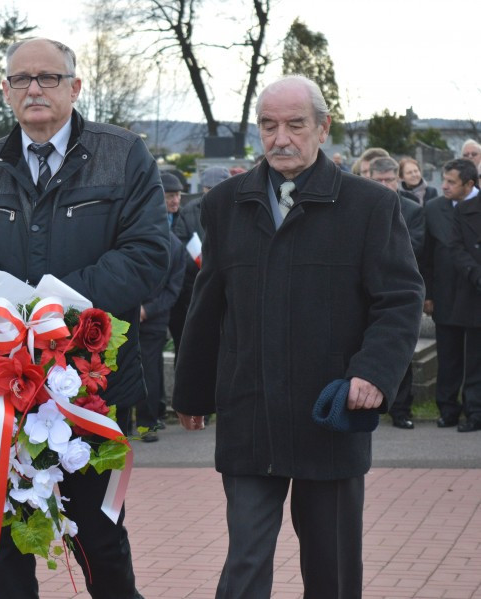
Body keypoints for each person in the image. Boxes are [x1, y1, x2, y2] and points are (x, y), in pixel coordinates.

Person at [0, 37, 169, 599]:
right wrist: (8, 313)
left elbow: (146, 254)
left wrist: (52, 311)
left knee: (98, 536)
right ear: (6, 91)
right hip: (3, 386)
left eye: (47, 77)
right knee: (8, 546)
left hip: (89, 382)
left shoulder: (124, 154)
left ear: (75, 86)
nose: (33, 88)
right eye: (20, 79)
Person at [173, 75, 423, 598]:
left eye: (294, 124)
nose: (280, 138)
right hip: (250, 417)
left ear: (323, 128)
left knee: (331, 571)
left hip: (329, 416)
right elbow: (208, 302)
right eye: (268, 125)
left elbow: (398, 299)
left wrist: (373, 371)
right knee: (244, 562)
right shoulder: (224, 204)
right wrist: (192, 392)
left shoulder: (370, 207)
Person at [421, 158, 481, 431]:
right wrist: (428, 293)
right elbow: (427, 255)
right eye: (443, 180)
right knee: (448, 357)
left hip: (475, 293)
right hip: (445, 293)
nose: (443, 186)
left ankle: (475, 411)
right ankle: (447, 409)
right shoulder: (433, 209)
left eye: (450, 182)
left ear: (469, 184)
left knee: (476, 360)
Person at [369, 156, 425, 429]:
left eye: (388, 180)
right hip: (363, 292)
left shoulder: (412, 210)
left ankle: (401, 409)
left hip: (397, 289)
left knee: (399, 350)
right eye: (377, 181)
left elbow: (414, 247)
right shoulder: (360, 207)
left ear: (397, 180)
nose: (383, 185)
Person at [137, 182, 186, 442]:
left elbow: (172, 290)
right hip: (138, 313)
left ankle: (148, 422)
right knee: (147, 367)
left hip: (153, 319)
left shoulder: (174, 246)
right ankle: (146, 419)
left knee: (149, 369)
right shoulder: (142, 237)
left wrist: (146, 310)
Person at [169, 165, 230, 352]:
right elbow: (179, 245)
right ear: (203, 189)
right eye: (209, 189)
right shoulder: (189, 211)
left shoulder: (238, 207)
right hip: (194, 284)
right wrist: (198, 260)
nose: (214, 192)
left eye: (218, 187)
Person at [449, 161, 481, 432]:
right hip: (475, 292)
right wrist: (476, 275)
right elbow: (456, 248)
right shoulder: (461, 211)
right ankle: (475, 412)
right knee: (475, 361)